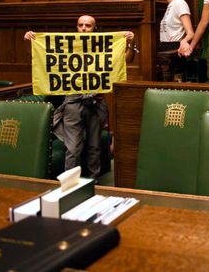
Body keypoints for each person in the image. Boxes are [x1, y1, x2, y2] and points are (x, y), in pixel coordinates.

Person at [24, 15, 135, 178]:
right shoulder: (67, 48)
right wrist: (29, 42)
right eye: (80, 25)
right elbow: (40, 58)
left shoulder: (103, 47)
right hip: (73, 103)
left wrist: (130, 43)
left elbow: (126, 59)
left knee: (94, 147)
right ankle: (70, 186)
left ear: (94, 28)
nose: (83, 28)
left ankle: (93, 181)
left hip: (96, 103)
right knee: (73, 148)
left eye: (88, 26)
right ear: (76, 27)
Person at [154, 0, 194, 80]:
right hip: (165, 51)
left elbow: (190, 33)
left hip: (174, 52)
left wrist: (184, 41)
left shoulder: (179, 3)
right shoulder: (171, 5)